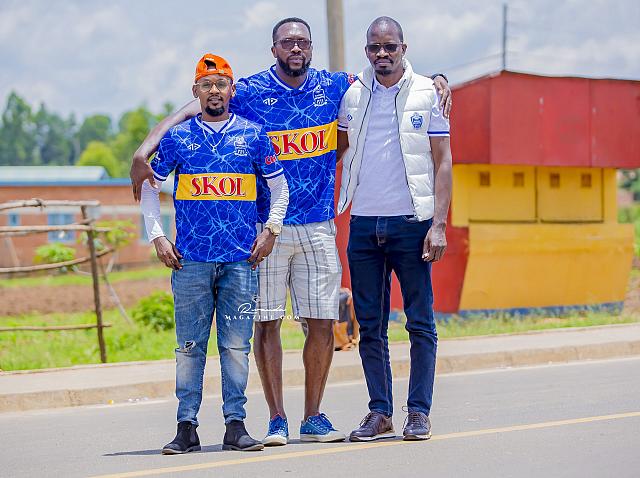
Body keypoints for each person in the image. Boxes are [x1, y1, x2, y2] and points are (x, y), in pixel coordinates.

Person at [131, 17, 451, 446]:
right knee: (266, 323)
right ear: (274, 49)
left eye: (302, 42)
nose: (295, 48)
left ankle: (314, 417)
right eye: (287, 42)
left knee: (322, 321)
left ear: (312, 47)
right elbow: (197, 104)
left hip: (318, 223)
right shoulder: (250, 90)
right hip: (267, 230)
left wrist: (437, 78)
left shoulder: (335, 86)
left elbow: (390, 72)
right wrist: (146, 147)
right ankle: (277, 419)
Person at [140, 53, 289, 454]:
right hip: (190, 261)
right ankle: (186, 427)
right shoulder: (178, 139)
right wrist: (157, 237)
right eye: (206, 85)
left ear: (231, 90)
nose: (214, 91)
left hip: (241, 260)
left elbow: (279, 187)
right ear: (196, 92)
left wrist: (271, 230)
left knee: (236, 347)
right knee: (189, 348)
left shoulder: (253, 135)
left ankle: (235, 426)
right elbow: (150, 188)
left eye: (221, 84)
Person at [336, 16, 453, 442]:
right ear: (366, 51)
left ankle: (418, 411)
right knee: (370, 326)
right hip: (364, 224)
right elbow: (338, 149)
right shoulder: (352, 95)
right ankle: (380, 412)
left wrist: (438, 224)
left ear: (404, 47)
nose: (381, 54)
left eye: (390, 46)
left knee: (420, 322)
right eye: (374, 47)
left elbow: (443, 161)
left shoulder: (428, 92)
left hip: (412, 223)